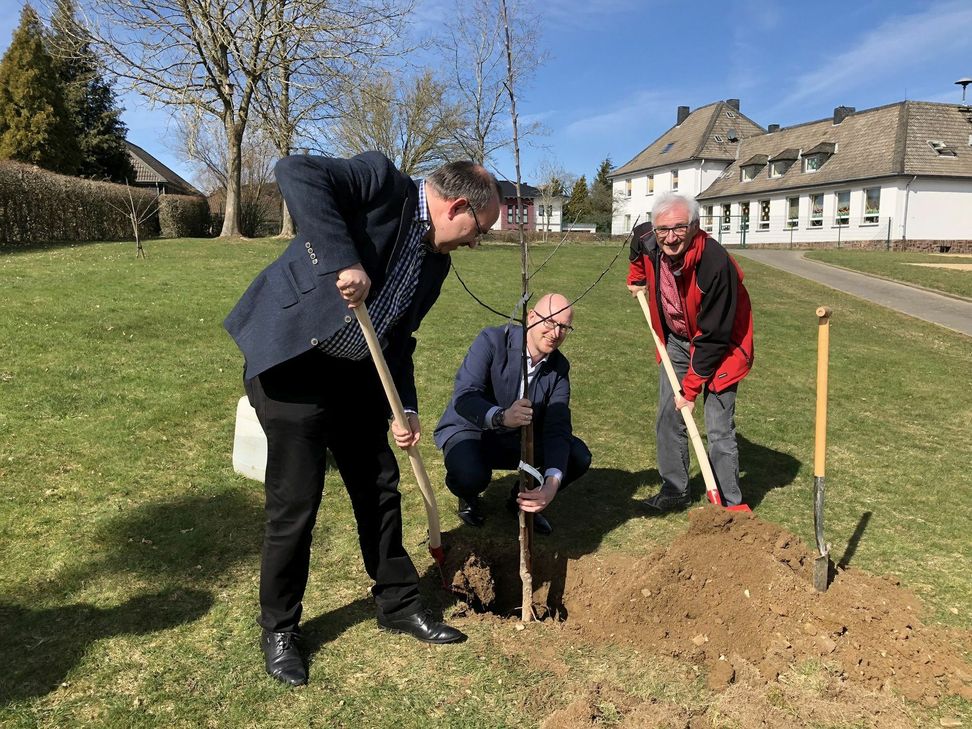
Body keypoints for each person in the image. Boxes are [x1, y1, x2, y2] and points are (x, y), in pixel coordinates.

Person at [224, 152, 501, 686]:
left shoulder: (434, 262)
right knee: (296, 500)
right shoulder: (381, 183)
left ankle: (397, 601)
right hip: (293, 363)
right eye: (477, 231)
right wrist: (341, 259)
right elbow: (295, 172)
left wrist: (407, 406)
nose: (474, 243)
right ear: (459, 205)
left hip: (355, 373)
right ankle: (280, 628)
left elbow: (398, 339)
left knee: (378, 484)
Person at [626, 193, 754, 512]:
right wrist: (637, 278)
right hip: (676, 340)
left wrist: (692, 390)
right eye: (663, 230)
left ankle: (729, 505)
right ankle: (675, 490)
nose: (670, 237)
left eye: (679, 228)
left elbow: (713, 338)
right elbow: (637, 241)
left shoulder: (715, 264)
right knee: (668, 415)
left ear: (695, 226)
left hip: (723, 347)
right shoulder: (649, 236)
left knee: (717, 426)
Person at [433, 293, 592, 536]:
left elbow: (557, 428)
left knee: (577, 455)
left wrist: (550, 486)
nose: (556, 333)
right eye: (550, 322)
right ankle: (467, 495)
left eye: (564, 327)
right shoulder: (492, 340)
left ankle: (522, 501)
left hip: (519, 438)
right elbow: (465, 395)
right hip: (474, 430)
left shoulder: (559, 368)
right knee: (470, 474)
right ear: (531, 317)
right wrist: (500, 416)